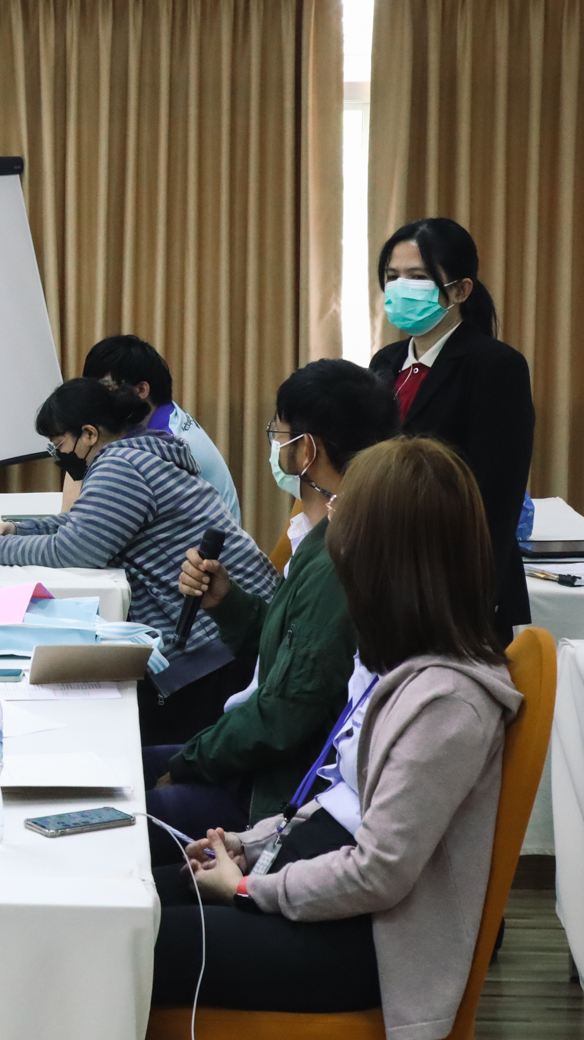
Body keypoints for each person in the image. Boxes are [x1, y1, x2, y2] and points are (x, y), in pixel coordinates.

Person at [151, 437, 521, 1034]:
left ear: (384, 553)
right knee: (130, 900)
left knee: (129, 937)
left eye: (348, 511)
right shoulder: (390, 661)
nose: (332, 518)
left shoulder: (448, 703)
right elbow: (335, 800)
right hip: (309, 887)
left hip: (364, 943)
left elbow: (377, 873)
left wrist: (246, 888)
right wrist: (247, 844)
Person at [146, 360, 399, 862]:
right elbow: (291, 654)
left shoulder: (339, 557)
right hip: (262, 758)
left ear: (306, 451)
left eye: (279, 434)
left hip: (275, 791)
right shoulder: (321, 534)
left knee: (128, 808)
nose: (275, 446)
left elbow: (285, 714)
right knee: (123, 767)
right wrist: (227, 603)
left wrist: (188, 763)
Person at [0, 378, 276, 743]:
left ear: (89, 434)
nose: (58, 455)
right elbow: (85, 523)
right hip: (235, 629)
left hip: (215, 646)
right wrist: (19, 530)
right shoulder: (141, 451)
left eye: (59, 445)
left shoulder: (121, 467)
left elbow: (75, 550)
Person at [369, 219, 534, 639]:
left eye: (417, 277)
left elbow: (496, 495)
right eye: (392, 276)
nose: (400, 288)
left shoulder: (495, 366)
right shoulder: (386, 361)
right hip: (386, 572)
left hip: (455, 583)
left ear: (460, 290)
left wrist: (472, 593)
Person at [76, 334, 241, 520]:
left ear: (141, 390)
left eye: (105, 389)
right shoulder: (160, 416)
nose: (97, 400)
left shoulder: (168, 444)